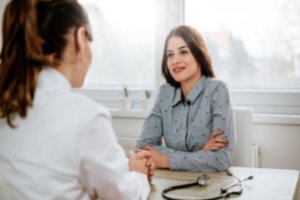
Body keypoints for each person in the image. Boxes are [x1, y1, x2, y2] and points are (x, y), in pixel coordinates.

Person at [0, 0, 154, 199]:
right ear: (80, 38)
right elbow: (123, 195)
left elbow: (51, 167)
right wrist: (139, 175)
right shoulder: (86, 117)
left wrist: (125, 166)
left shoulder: (9, 106)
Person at [137, 25, 236, 172]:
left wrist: (165, 160)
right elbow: (143, 148)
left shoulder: (217, 90)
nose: (175, 60)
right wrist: (201, 155)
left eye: (183, 52)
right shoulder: (165, 93)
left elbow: (222, 159)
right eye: (170, 54)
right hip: (172, 183)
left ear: (199, 54)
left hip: (209, 186)